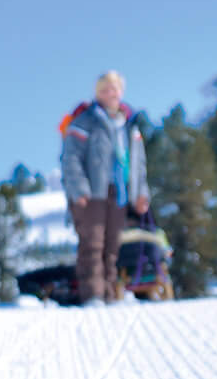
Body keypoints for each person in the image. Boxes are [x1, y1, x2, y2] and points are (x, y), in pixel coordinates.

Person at [60, 72, 150, 305]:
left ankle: (110, 294)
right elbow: (71, 158)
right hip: (92, 193)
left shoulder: (129, 126)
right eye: (104, 90)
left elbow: (139, 164)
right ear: (97, 94)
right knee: (92, 244)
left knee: (112, 247)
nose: (110, 94)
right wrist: (78, 188)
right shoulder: (85, 121)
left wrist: (141, 193)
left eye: (114, 89)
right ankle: (93, 294)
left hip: (119, 192)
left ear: (121, 92)